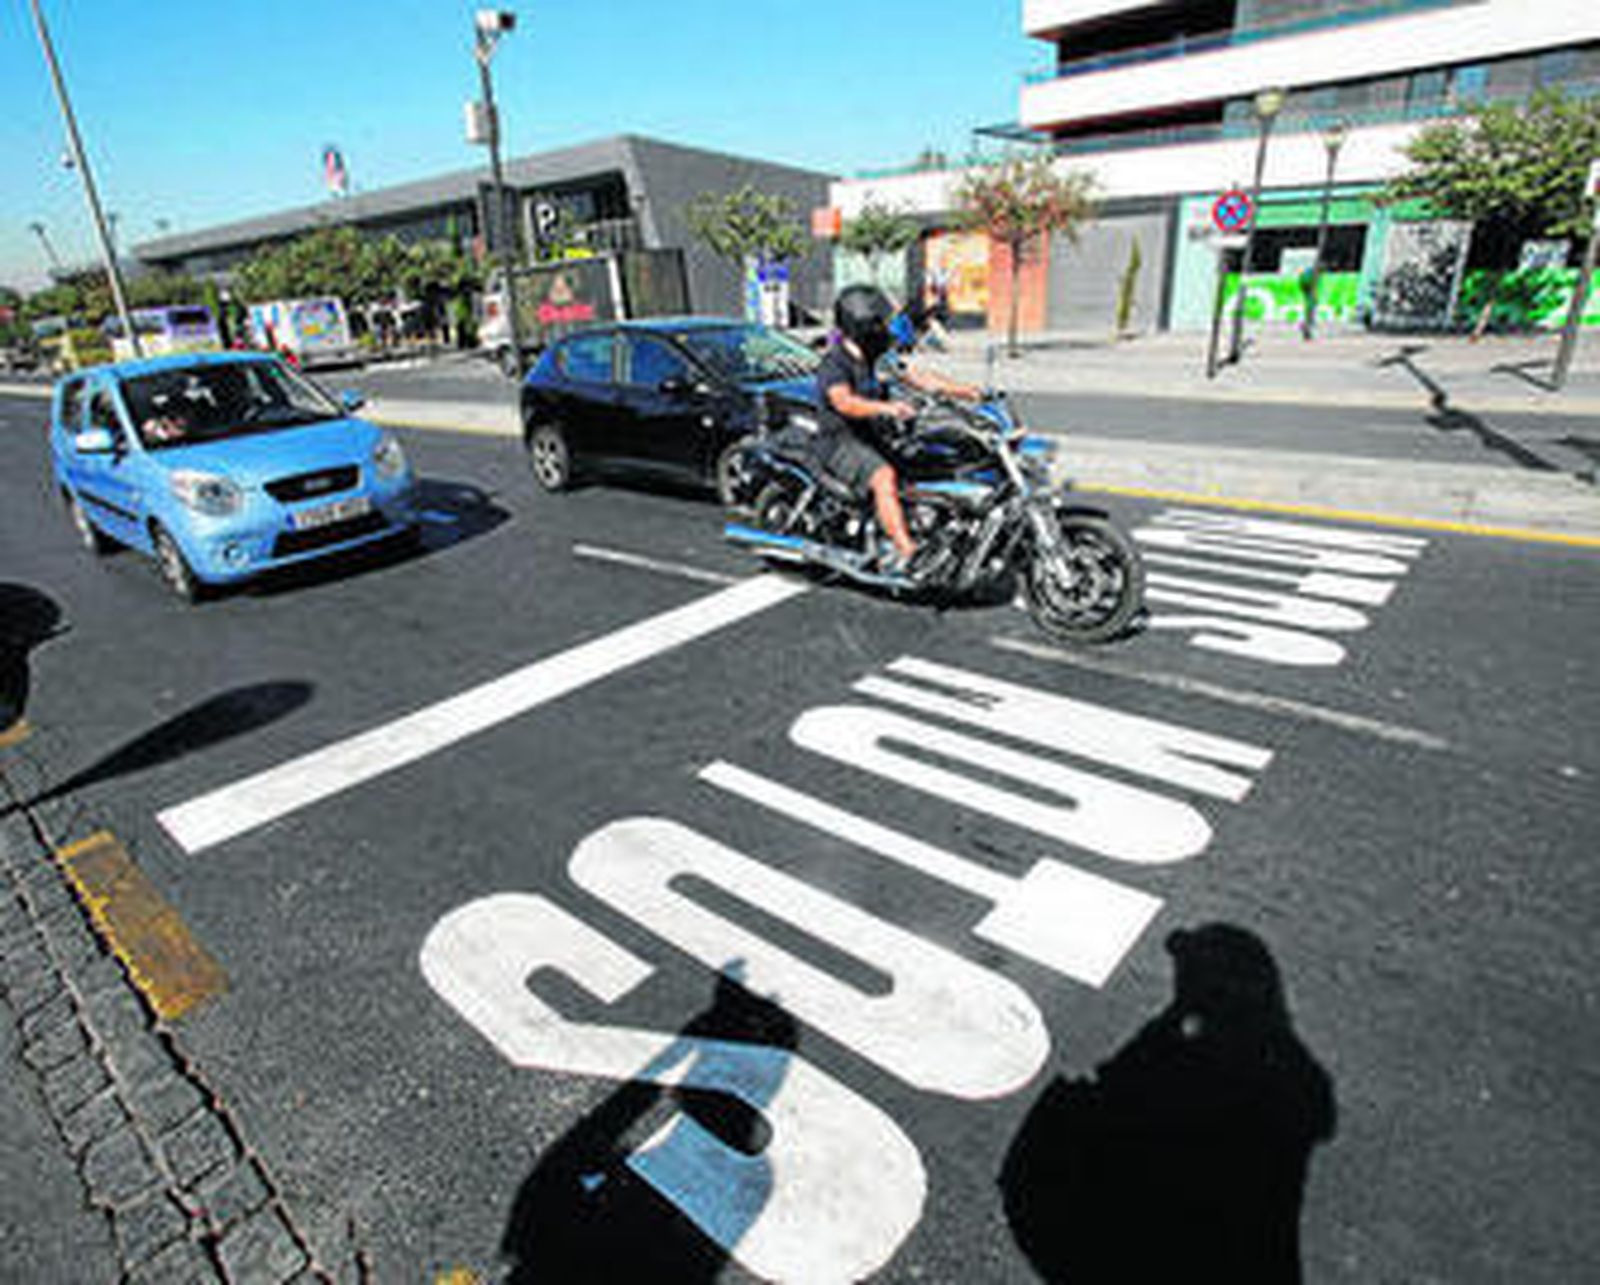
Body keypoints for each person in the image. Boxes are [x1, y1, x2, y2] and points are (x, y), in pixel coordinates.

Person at [816, 285, 980, 577]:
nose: (885, 328)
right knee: (884, 477)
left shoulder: (875, 354)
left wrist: (968, 391)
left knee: (925, 461)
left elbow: (915, 375)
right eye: (879, 322)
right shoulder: (835, 362)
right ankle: (908, 552)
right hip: (840, 441)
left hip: (872, 435)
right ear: (861, 325)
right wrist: (888, 409)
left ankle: (927, 529)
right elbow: (844, 402)